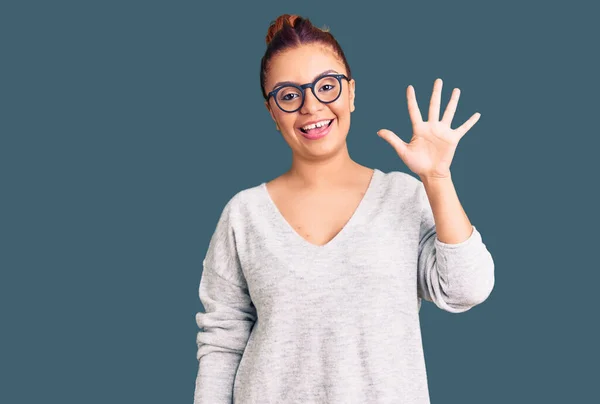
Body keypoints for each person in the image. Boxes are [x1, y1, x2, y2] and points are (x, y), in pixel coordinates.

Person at [194, 14, 495, 404]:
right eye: (289, 95)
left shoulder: (403, 198)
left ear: (351, 93)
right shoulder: (243, 215)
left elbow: (466, 290)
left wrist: (437, 178)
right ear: (272, 112)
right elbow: (222, 341)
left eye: (327, 86)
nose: (311, 106)